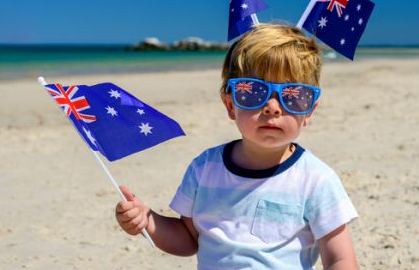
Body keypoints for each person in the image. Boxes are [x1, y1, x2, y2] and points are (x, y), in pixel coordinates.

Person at [115, 24, 359, 269]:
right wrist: (147, 220)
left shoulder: (316, 179)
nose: (273, 107)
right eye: (252, 92)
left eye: (293, 96)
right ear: (230, 105)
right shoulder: (205, 168)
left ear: (309, 110)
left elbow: (340, 257)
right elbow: (188, 239)